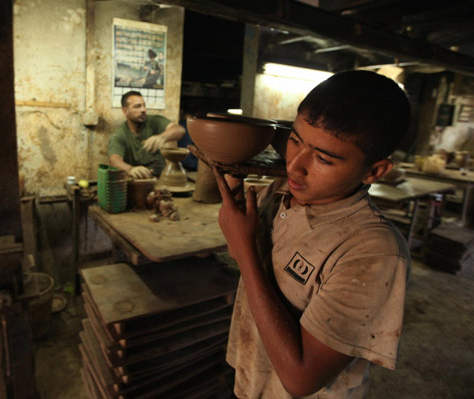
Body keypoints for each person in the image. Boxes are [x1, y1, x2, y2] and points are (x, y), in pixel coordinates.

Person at [213, 70, 411, 399]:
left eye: (322, 158)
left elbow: (301, 379)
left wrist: (244, 251)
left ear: (375, 171)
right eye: (295, 140)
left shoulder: (373, 253)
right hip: (253, 384)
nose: (295, 166)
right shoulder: (280, 194)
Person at [108, 91, 185, 179]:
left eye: (144, 105)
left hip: (161, 177)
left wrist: (162, 137)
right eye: (137, 106)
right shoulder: (119, 135)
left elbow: (179, 130)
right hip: (137, 180)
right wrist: (130, 169)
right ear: (125, 111)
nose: (143, 110)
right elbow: (114, 160)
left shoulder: (154, 121)